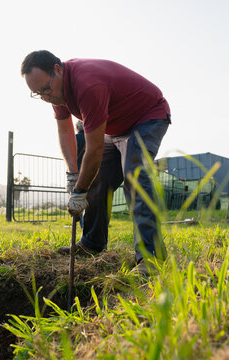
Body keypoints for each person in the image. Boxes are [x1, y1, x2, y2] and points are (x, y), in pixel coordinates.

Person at [21, 50, 171, 276]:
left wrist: (79, 191)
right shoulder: (57, 91)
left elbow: (94, 150)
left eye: (45, 89)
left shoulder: (87, 84)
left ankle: (151, 258)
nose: (45, 97)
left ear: (57, 70)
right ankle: (92, 243)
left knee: (135, 176)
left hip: (147, 117)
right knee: (97, 179)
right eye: (37, 94)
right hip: (116, 127)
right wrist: (73, 174)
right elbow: (65, 131)